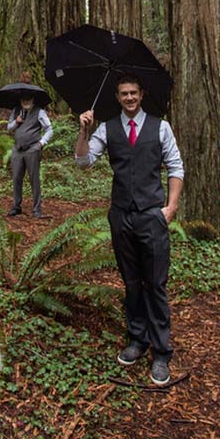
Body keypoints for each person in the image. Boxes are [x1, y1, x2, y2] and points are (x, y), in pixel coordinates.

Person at [75, 74, 183, 386]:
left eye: (134, 92)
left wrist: (171, 208)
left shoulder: (160, 127)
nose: (129, 98)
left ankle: (162, 352)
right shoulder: (107, 128)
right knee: (132, 282)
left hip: (152, 215)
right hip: (121, 215)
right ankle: (138, 339)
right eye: (124, 93)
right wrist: (84, 131)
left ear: (142, 94)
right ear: (117, 96)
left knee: (155, 283)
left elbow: (175, 167)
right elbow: (84, 162)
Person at [7, 95, 53, 219]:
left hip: (33, 148)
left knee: (34, 179)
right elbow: (9, 128)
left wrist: (41, 143)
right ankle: (16, 206)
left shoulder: (39, 112)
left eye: (28, 99)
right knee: (16, 177)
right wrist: (16, 121)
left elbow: (49, 129)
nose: (25, 101)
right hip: (17, 149)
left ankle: (37, 209)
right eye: (23, 99)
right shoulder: (16, 111)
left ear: (33, 99)